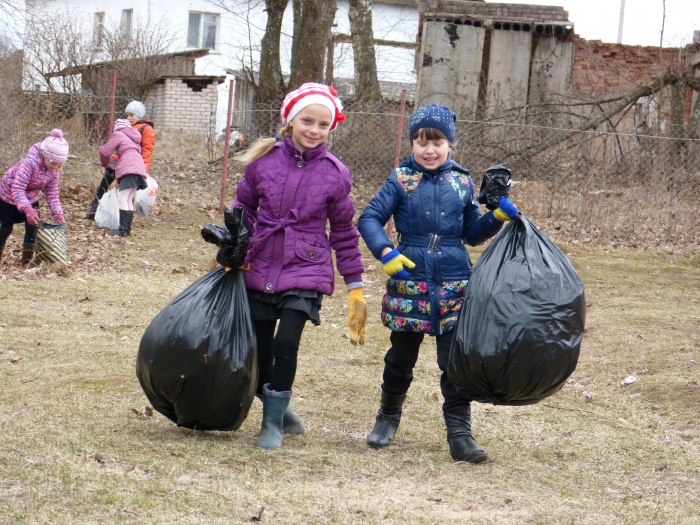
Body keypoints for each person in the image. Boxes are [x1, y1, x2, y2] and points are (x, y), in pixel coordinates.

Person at [357, 104, 519, 464]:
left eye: (437, 142)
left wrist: (496, 217)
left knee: (454, 362)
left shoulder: (461, 182)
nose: (429, 150)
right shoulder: (400, 179)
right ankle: (387, 417)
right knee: (401, 356)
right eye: (421, 141)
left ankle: (460, 433)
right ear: (412, 143)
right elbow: (368, 217)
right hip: (409, 278)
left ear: (450, 145)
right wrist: (385, 251)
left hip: (454, 282)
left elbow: (471, 234)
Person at [233, 83, 368, 450]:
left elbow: (342, 230)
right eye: (307, 120)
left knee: (286, 343)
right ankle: (280, 406)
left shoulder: (336, 173)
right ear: (290, 120)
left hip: (306, 267)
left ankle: (271, 424)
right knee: (260, 351)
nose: (314, 129)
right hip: (260, 264)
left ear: (331, 128)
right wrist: (234, 246)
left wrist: (354, 284)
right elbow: (243, 208)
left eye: (323, 124)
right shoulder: (263, 160)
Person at [0, 129, 68, 265]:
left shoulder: (54, 170)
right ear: (44, 155)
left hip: (31, 196)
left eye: (60, 164)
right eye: (54, 163)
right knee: (6, 227)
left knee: (33, 227)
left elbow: (52, 192)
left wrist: (57, 213)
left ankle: (27, 261)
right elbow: (17, 188)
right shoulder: (29, 164)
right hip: (9, 195)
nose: (57, 167)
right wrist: (28, 210)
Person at [85, 101, 155, 219]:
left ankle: (123, 218)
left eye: (131, 115)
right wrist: (109, 163)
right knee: (105, 183)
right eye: (127, 115)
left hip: (132, 165)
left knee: (127, 192)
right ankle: (95, 207)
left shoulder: (146, 129)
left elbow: (147, 151)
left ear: (139, 115)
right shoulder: (125, 127)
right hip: (117, 162)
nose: (128, 118)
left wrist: (143, 169)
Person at [98, 119, 147, 237]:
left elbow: (105, 152)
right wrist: (120, 180)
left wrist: (105, 163)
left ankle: (122, 230)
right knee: (129, 198)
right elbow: (129, 160)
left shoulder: (119, 134)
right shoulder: (134, 138)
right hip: (138, 167)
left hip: (129, 167)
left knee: (122, 199)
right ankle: (127, 229)